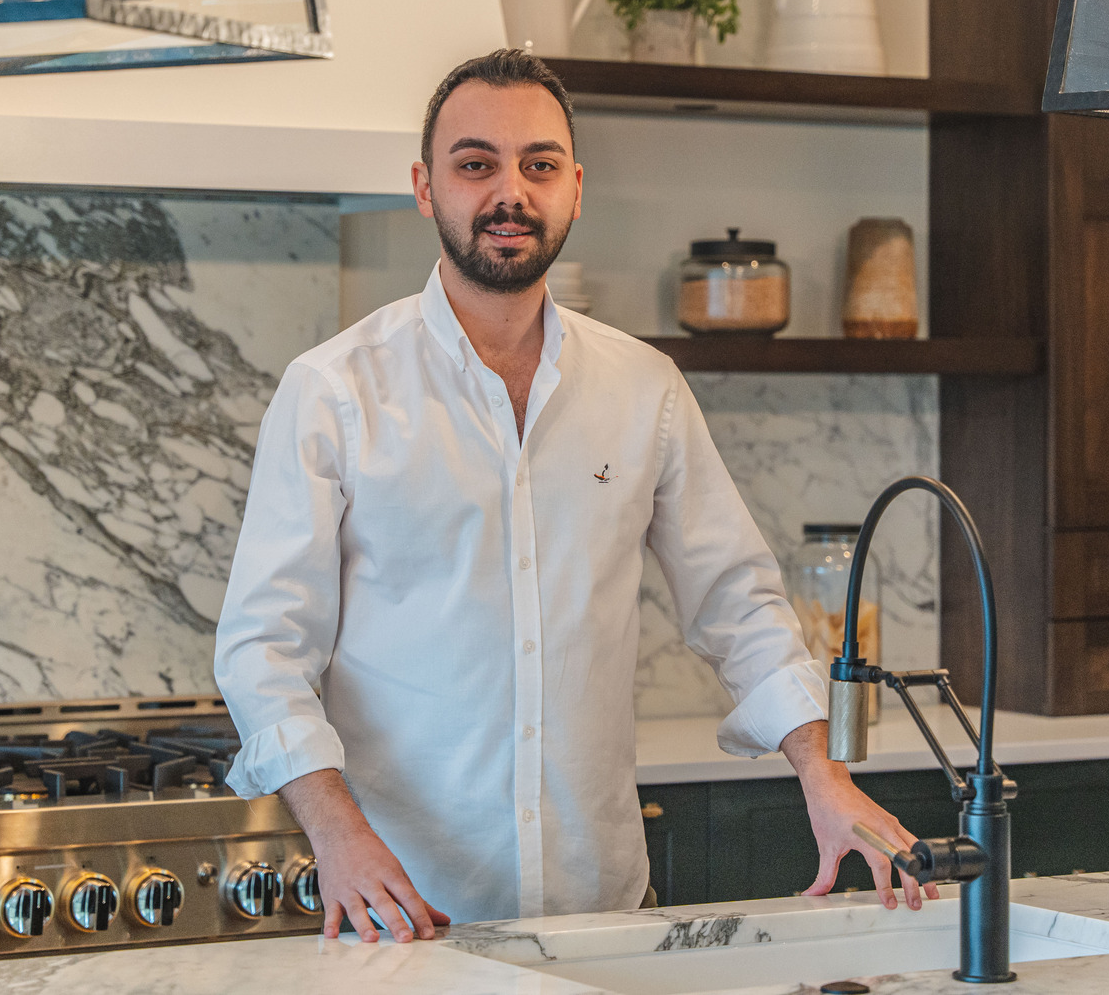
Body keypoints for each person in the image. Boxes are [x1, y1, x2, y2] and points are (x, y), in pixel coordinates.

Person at [213, 49, 934, 943]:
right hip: (405, 919)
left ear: (576, 187)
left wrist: (822, 775)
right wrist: (337, 834)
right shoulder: (334, 390)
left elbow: (738, 602)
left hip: (603, 917)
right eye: (476, 164)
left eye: (539, 165)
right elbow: (263, 650)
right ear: (424, 187)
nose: (509, 191)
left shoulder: (646, 389)